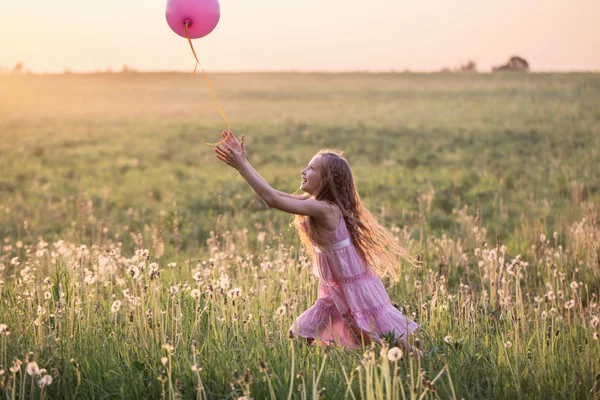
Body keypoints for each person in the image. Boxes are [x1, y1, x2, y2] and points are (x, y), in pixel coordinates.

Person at [214, 131, 419, 350]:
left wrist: (241, 167)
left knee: (385, 334)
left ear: (326, 179)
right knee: (304, 335)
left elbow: (271, 200)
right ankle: (340, 356)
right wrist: (243, 161)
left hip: (352, 283)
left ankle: (418, 360)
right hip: (334, 287)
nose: (303, 171)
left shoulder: (323, 209)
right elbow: (274, 193)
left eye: (311, 168)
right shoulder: (314, 202)